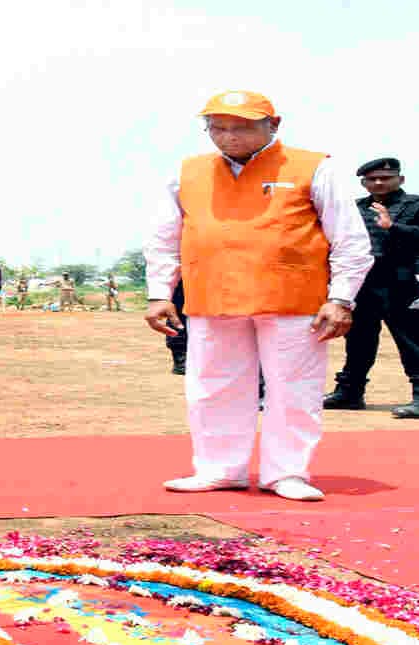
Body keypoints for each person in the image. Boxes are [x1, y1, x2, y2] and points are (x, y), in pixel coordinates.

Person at [144, 90, 372, 502]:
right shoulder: (187, 172)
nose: (228, 137)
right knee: (213, 386)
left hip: (294, 300)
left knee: (293, 387)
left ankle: (287, 473)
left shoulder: (314, 167)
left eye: (242, 127)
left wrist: (341, 299)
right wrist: (159, 292)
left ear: (274, 125)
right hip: (212, 297)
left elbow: (351, 240)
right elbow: (163, 238)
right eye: (218, 128)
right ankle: (218, 469)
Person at [324, 158, 419, 418]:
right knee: (358, 342)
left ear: (400, 179)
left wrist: (394, 227)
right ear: (364, 183)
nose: (379, 182)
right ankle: (349, 393)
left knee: (413, 342)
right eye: (372, 179)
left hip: (402, 285)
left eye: (386, 177)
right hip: (364, 286)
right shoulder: (354, 208)